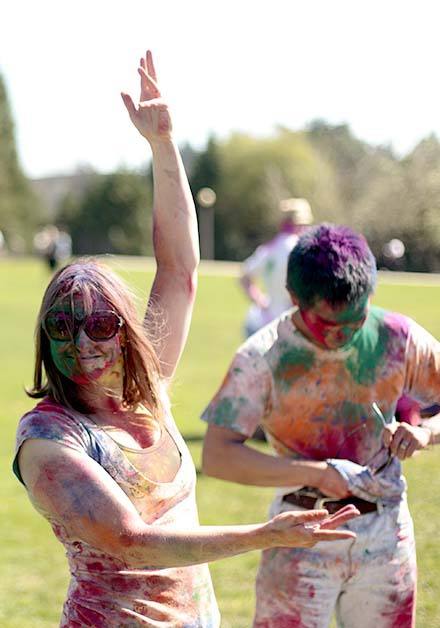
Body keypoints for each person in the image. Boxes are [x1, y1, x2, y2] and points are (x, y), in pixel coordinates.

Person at [13, 54, 359, 628]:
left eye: (100, 325)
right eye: (61, 327)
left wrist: (163, 143)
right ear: (44, 338)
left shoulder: (148, 392)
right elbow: (129, 540)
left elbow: (178, 270)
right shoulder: (50, 442)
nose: (82, 343)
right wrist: (262, 535)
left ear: (125, 331)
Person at [202, 223, 440, 627]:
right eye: (329, 326)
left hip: (385, 536)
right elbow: (217, 456)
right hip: (299, 534)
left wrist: (425, 432)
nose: (345, 335)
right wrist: (315, 474)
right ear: (294, 299)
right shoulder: (264, 356)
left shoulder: (397, 337)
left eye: (357, 319)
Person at [240, 197, 313, 337]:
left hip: (262, 321)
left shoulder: (270, 248)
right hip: (287, 326)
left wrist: (260, 300)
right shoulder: (300, 249)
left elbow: (244, 277)